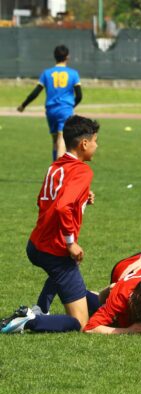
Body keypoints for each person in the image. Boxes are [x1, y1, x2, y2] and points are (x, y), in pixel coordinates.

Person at [1, 115, 99, 334]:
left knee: (69, 273)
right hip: (56, 250)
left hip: (36, 243)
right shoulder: (83, 171)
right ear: (84, 143)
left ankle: (41, 309)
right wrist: (70, 243)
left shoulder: (56, 166)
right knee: (80, 322)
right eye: (95, 141)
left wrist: (82, 198)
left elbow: (45, 200)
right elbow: (63, 206)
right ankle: (28, 320)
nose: (96, 146)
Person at [17, 45, 83, 160]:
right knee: (62, 139)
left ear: (55, 57)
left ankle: (54, 169)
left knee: (55, 141)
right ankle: (59, 171)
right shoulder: (73, 74)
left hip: (51, 111)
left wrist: (23, 105)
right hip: (65, 110)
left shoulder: (47, 73)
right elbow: (79, 95)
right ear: (67, 57)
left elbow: (35, 93)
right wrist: (71, 106)